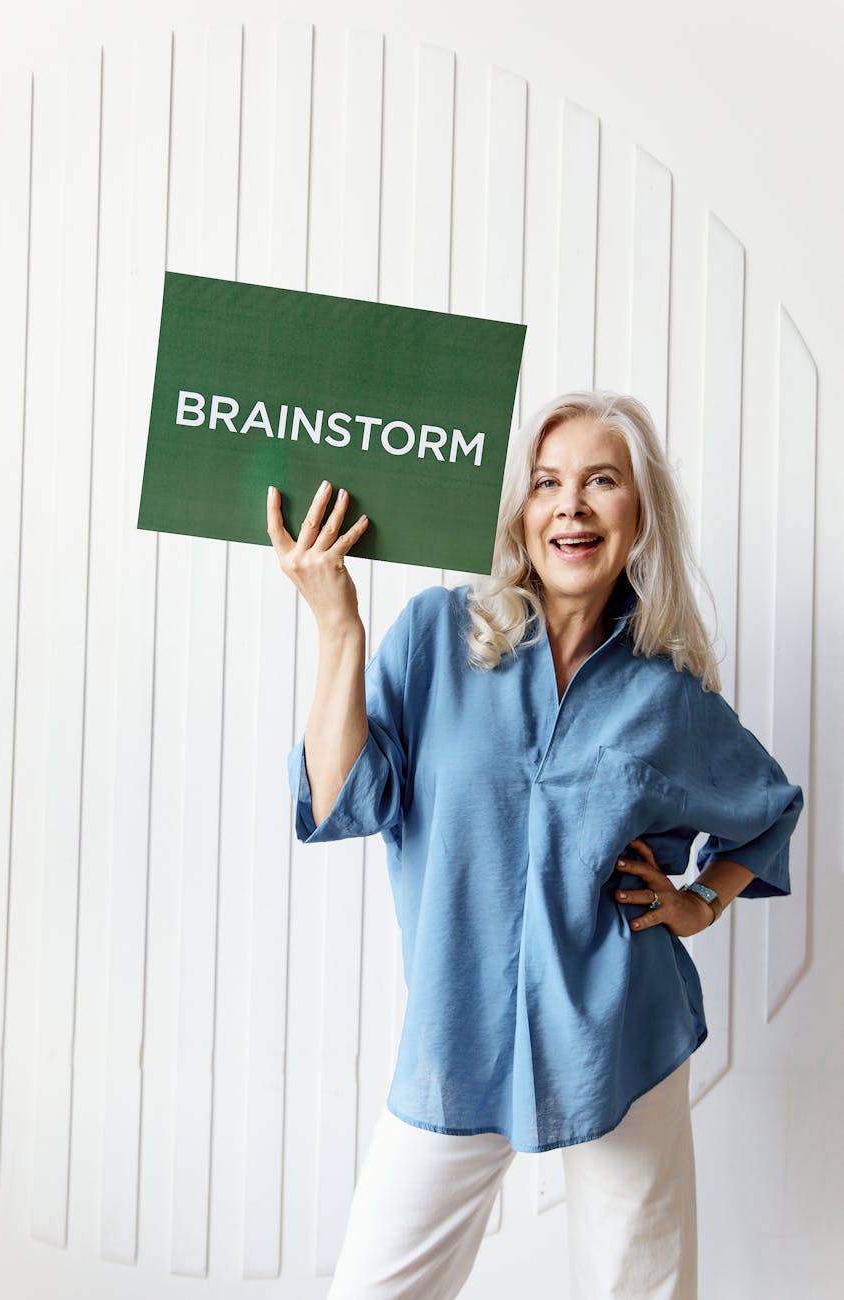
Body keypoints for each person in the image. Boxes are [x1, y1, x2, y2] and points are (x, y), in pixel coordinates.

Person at [267, 390, 803, 1300]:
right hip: (455, 1035)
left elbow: (768, 809)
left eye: (601, 481)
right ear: (520, 510)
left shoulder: (666, 694)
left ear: (639, 513)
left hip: (620, 1036)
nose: (571, 506)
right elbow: (339, 795)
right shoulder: (437, 635)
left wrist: (698, 902)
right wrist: (336, 624)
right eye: (547, 483)